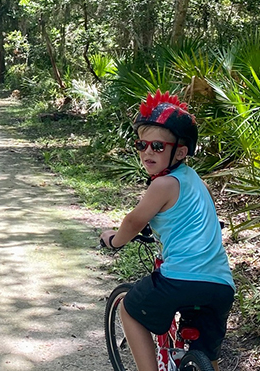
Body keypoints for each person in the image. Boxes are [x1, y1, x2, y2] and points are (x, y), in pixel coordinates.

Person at [100, 90, 235, 371]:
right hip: (221, 286)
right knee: (206, 354)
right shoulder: (196, 180)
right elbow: (207, 214)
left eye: (158, 146)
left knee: (130, 310)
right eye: (142, 145)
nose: (147, 152)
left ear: (180, 152)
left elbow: (134, 222)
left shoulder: (162, 185)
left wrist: (115, 240)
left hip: (180, 279)